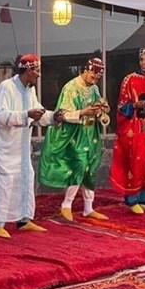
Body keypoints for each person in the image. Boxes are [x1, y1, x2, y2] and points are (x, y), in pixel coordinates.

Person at [0, 54, 62, 238]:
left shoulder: (30, 90)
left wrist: (53, 117)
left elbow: (38, 113)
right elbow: (0, 115)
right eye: (36, 70)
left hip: (21, 148)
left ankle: (24, 220)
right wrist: (25, 114)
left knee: (26, 179)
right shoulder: (7, 87)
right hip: (5, 148)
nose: (38, 74)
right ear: (28, 70)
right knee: (4, 184)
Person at [38, 58, 110, 221]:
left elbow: (99, 110)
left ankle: (88, 207)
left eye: (97, 79)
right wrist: (83, 112)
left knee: (90, 168)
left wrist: (102, 110)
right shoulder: (70, 88)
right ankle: (66, 204)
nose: (94, 80)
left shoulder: (94, 89)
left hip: (90, 135)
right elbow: (62, 114)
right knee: (79, 165)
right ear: (87, 70)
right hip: (74, 135)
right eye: (93, 76)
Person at [109, 47, 145, 214]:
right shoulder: (130, 80)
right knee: (135, 162)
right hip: (134, 128)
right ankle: (132, 200)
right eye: (141, 59)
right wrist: (135, 105)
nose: (143, 63)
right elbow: (120, 106)